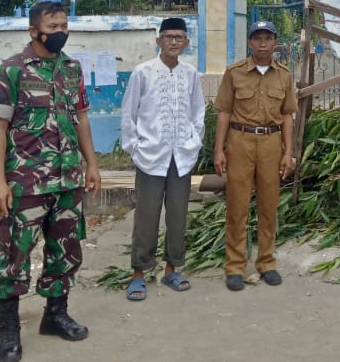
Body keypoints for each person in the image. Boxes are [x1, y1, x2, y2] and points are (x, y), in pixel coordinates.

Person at [0, 1, 101, 362]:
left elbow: (80, 118)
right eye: (53, 26)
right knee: (15, 257)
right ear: (34, 30)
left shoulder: (71, 68)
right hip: (25, 184)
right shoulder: (12, 71)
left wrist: (92, 164)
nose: (61, 31)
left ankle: (55, 315)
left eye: (65, 24)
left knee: (65, 252)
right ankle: (8, 331)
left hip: (67, 181)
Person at [120, 17, 205, 301]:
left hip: (181, 157)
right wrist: (135, 148)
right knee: (146, 217)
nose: (173, 42)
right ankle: (139, 274)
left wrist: (194, 142)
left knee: (178, 215)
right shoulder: (142, 73)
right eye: (168, 36)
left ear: (186, 42)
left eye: (179, 37)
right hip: (150, 157)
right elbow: (129, 114)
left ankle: (171, 270)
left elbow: (198, 113)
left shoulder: (191, 74)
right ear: (158, 41)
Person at [213, 20, 297, 291]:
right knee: (237, 206)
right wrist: (219, 149)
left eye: (267, 39)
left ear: (275, 43)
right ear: (250, 42)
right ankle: (235, 266)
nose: (262, 44)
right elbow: (224, 111)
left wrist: (288, 153)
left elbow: (287, 115)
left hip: (271, 143)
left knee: (268, 205)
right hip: (240, 141)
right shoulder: (234, 73)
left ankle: (266, 262)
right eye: (257, 38)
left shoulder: (284, 75)